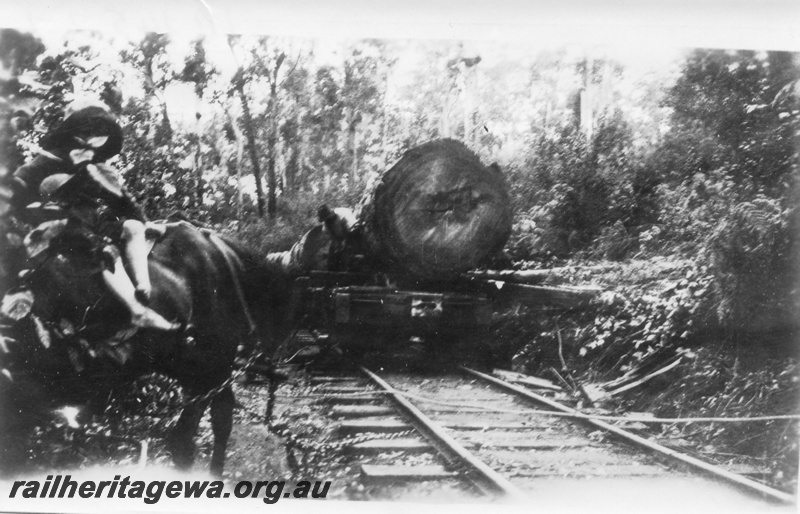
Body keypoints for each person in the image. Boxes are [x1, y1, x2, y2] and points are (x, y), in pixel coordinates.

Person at [3, 103, 178, 331]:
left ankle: (143, 285)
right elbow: (19, 183)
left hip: (94, 222)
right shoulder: (52, 158)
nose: (91, 137)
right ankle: (138, 311)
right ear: (73, 131)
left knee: (134, 227)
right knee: (105, 251)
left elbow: (121, 198)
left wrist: (144, 222)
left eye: (98, 132)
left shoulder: (95, 165)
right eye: (86, 130)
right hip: (63, 227)